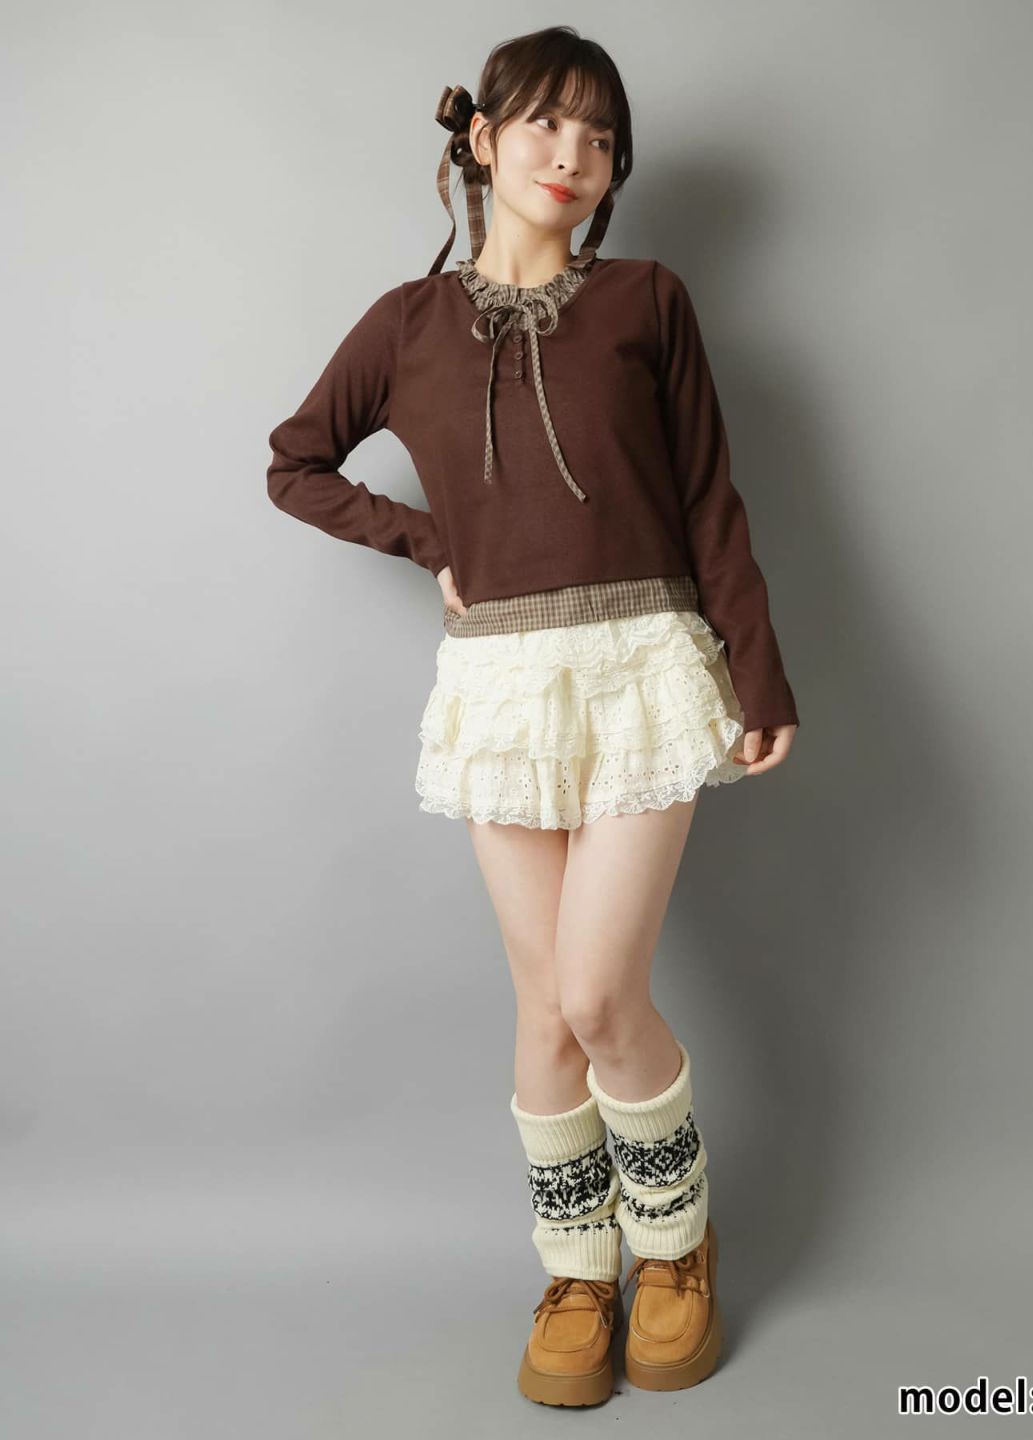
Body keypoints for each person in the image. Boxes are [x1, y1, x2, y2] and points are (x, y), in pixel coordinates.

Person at [265, 25, 799, 1408]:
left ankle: (674, 1246)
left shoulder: (647, 302)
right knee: (545, 1012)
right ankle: (578, 1271)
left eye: (602, 136)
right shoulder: (405, 324)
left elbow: (709, 497)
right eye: (551, 124)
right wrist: (422, 539)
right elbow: (296, 461)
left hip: (642, 665)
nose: (576, 153)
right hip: (502, 682)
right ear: (484, 139)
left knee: (598, 991)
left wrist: (757, 668)